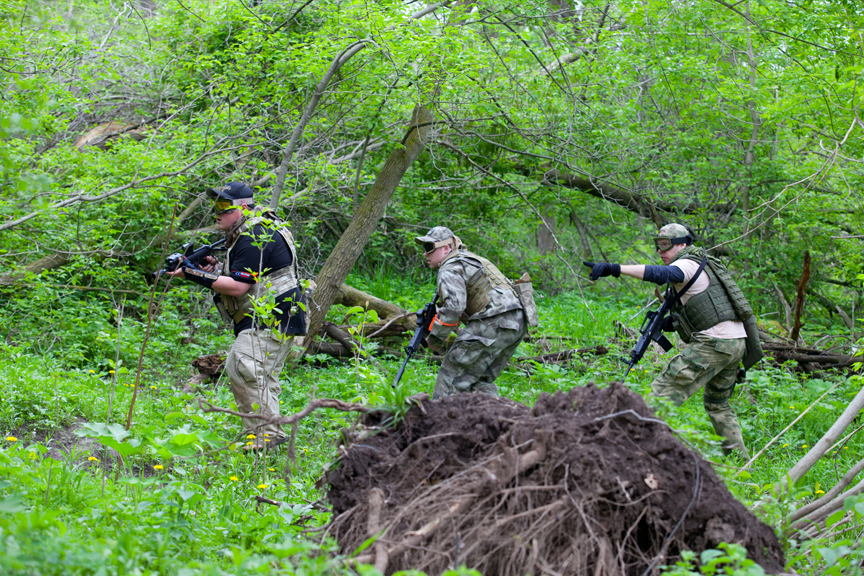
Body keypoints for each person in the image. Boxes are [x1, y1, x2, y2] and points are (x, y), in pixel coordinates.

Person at [584, 223, 761, 459]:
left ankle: (625, 452)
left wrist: (615, 268)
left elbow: (661, 275)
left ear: (683, 244)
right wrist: (672, 322)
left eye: (666, 245)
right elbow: (707, 306)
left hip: (714, 344)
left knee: (660, 396)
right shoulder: (704, 263)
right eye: (658, 245)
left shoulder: (687, 264)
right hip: (735, 343)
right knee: (718, 404)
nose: (661, 251)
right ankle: (741, 464)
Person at [168, 182, 305, 450]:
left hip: (271, 316)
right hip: (273, 315)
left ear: (242, 207)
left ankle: (265, 436)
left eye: (223, 206)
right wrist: (214, 268)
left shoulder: (256, 232)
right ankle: (264, 439)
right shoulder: (252, 232)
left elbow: (240, 286)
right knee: (255, 374)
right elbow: (248, 275)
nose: (215, 212)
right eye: (215, 205)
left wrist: (193, 273)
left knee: (243, 365)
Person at [415, 226, 531, 400]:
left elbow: (454, 308)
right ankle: (501, 421)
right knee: (479, 380)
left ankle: (440, 422)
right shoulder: (469, 260)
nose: (425, 253)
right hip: (518, 322)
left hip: (495, 320)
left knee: (452, 373)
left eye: (429, 247)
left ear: (446, 248)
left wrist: (435, 340)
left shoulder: (449, 267)